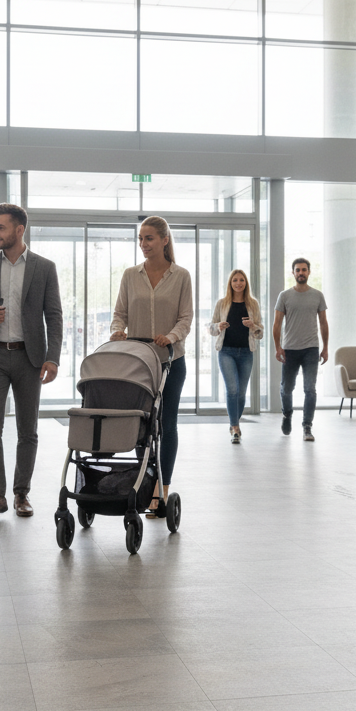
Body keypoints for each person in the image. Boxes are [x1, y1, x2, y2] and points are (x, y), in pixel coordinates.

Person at [0, 203, 63, 520]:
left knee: (27, 430)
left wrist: (52, 358)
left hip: (29, 357)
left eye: (1, 227)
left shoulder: (44, 267)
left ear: (19, 230)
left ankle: (21, 493)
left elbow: (54, 316)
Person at [110, 216, 193, 516]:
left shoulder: (181, 276)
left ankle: (162, 489)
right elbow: (120, 313)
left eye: (149, 238)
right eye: (140, 239)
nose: (143, 244)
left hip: (171, 362)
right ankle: (146, 483)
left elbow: (186, 318)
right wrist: (117, 330)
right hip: (140, 365)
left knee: (167, 424)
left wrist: (170, 337)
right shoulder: (130, 275)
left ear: (164, 240)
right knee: (142, 426)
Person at [273, 258, 329, 442]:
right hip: (290, 349)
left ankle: (307, 426)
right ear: (293, 273)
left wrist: (325, 348)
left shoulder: (317, 295)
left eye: (304, 270)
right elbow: (277, 324)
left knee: (310, 389)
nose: (301, 273)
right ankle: (287, 414)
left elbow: (323, 323)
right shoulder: (284, 296)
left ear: (309, 272)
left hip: (311, 349)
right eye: (297, 270)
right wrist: (278, 347)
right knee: (286, 388)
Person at [209, 269, 263, 443]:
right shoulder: (222, 303)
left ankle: (234, 423)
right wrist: (218, 326)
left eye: (241, 280)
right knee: (232, 390)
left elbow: (260, 332)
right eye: (235, 280)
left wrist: (253, 326)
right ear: (230, 283)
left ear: (246, 283)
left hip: (246, 353)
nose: (238, 283)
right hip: (226, 352)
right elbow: (211, 328)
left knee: (241, 393)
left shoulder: (253, 304)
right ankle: (235, 427)